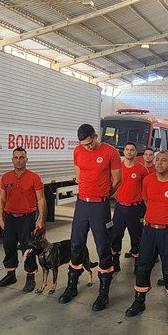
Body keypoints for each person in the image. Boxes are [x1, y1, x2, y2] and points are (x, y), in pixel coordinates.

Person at [125, 150, 168, 325]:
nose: (159, 163)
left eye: (163, 161)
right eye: (157, 160)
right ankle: (139, 302)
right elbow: (147, 200)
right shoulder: (148, 180)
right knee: (142, 267)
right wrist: (156, 216)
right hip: (149, 231)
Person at [59, 123, 121, 310]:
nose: (87, 147)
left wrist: (102, 195)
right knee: (76, 244)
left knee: (103, 246)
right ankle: (72, 286)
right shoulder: (78, 152)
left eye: (89, 143)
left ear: (95, 136)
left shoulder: (110, 152)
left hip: (99, 205)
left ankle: (103, 292)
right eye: (83, 144)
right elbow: (79, 176)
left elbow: (117, 180)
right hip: (82, 204)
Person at [0, 148, 47, 291]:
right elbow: (2, 198)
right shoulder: (5, 177)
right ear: (12, 160)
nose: (19, 160)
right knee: (9, 246)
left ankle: (30, 278)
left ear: (26, 160)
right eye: (16, 157)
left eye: (22, 157)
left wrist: (41, 220)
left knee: (28, 248)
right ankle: (10, 274)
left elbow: (41, 199)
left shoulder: (34, 177)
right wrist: (1, 218)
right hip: (10, 218)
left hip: (27, 219)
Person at [110, 142, 148, 270]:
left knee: (136, 237)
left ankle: (138, 264)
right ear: (124, 152)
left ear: (136, 153)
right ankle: (115, 262)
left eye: (132, 150)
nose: (129, 152)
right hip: (120, 207)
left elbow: (147, 190)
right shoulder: (117, 168)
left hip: (136, 208)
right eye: (127, 149)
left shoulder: (142, 170)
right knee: (115, 235)